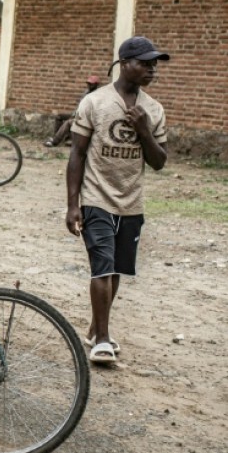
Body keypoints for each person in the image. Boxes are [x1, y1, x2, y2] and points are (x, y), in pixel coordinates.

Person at [66, 36, 168, 365]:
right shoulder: (95, 103)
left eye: (155, 63)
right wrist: (73, 204)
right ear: (125, 64)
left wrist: (144, 130)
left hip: (131, 202)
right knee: (101, 266)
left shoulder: (153, 110)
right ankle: (103, 341)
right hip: (96, 197)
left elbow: (159, 161)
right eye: (146, 62)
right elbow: (77, 155)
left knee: (116, 271)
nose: (153, 68)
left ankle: (96, 328)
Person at [45, 75, 101, 147]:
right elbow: (80, 106)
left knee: (69, 122)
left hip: (86, 118)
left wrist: (77, 115)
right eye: (88, 83)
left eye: (91, 84)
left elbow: (91, 111)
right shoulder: (86, 92)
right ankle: (58, 137)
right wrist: (74, 113)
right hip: (78, 114)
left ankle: (55, 141)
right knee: (59, 116)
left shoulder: (97, 95)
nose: (89, 85)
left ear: (96, 84)